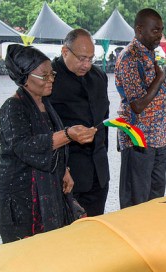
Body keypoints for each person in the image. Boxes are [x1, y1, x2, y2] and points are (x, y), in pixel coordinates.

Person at [0, 44, 97, 243]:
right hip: (20, 201)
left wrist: (64, 170)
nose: (51, 80)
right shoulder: (12, 107)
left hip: (45, 190)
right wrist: (67, 135)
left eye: (52, 74)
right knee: (24, 259)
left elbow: (50, 141)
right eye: (44, 76)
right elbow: (25, 146)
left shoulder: (44, 102)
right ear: (24, 78)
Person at [49, 29, 110, 216]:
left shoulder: (99, 77)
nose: (87, 65)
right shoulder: (50, 79)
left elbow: (103, 119)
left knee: (94, 228)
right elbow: (44, 128)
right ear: (65, 51)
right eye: (82, 58)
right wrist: (60, 169)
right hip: (67, 174)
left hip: (98, 173)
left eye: (91, 59)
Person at [114, 8, 166, 208]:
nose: (160, 35)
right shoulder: (129, 57)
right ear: (139, 29)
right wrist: (160, 78)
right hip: (139, 140)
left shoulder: (149, 54)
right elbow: (137, 105)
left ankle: (150, 238)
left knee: (155, 200)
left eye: (161, 30)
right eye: (155, 30)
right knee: (136, 201)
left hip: (159, 139)